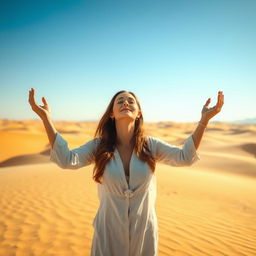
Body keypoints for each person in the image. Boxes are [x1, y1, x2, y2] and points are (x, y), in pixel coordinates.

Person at [28, 88, 224, 256]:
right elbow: (66, 159)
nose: (125, 103)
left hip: (143, 234)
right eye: (119, 101)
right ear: (112, 113)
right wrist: (46, 118)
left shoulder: (150, 145)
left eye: (131, 101)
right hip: (108, 234)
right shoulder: (99, 146)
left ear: (138, 113)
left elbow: (185, 157)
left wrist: (203, 121)